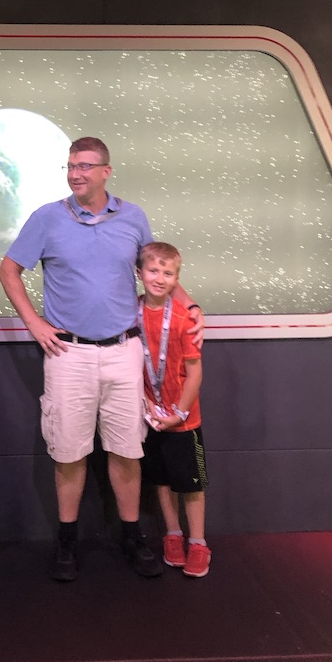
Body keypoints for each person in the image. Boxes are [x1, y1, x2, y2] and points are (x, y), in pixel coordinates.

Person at [0, 136, 204, 582]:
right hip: (67, 353)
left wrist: (189, 307)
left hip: (124, 352)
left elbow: (158, 271)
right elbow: (9, 270)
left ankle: (132, 537)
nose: (76, 174)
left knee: (127, 450)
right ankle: (67, 540)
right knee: (69, 452)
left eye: (85, 166)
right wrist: (34, 323)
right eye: (71, 166)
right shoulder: (47, 217)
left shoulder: (133, 217)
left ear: (106, 172)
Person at [136, 241, 210, 577]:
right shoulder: (130, 314)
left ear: (177, 279)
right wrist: (148, 406)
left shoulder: (183, 319)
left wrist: (179, 413)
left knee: (191, 484)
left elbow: (195, 374)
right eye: (153, 270)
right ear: (140, 273)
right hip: (152, 416)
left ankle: (198, 542)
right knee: (161, 480)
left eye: (168, 273)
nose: (159, 278)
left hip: (184, 420)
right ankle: (173, 534)